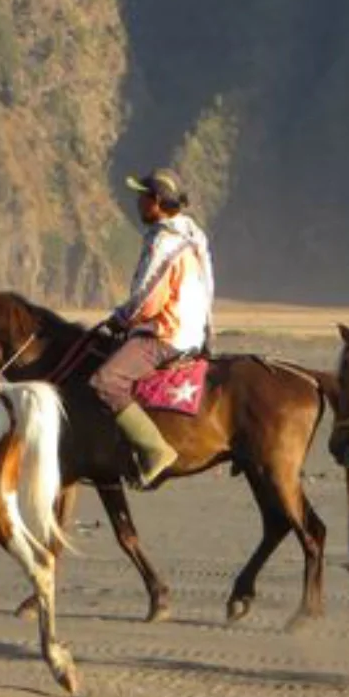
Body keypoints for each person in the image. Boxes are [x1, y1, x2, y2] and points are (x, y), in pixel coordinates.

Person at [89, 167, 215, 488]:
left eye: (142, 196)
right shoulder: (193, 233)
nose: (138, 202)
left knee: (106, 380)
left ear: (157, 201)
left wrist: (121, 318)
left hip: (167, 333)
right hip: (194, 330)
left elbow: (147, 297)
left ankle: (155, 450)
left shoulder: (164, 241)